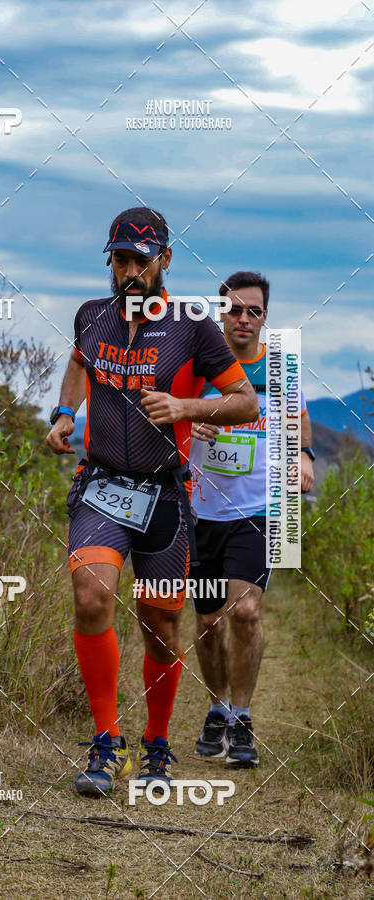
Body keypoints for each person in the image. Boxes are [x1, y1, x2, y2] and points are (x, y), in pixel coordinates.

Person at [45, 209, 258, 795]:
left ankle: (156, 743)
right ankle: (106, 742)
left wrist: (186, 408)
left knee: (161, 626)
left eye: (143, 260)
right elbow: (78, 361)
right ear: (109, 262)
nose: (131, 271)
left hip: (166, 493)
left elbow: (245, 403)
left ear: (165, 259)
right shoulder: (92, 316)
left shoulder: (193, 326)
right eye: (121, 260)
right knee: (92, 597)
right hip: (102, 484)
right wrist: (66, 414)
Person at [189, 270, 315, 767]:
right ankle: (217, 708)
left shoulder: (280, 364)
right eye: (235, 309)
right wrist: (190, 419)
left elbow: (299, 413)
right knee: (206, 620)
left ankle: (241, 718)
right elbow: (165, 409)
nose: (244, 319)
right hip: (199, 509)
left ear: (266, 316)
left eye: (254, 311)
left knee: (244, 613)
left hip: (259, 509)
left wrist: (305, 455)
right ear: (221, 312)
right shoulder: (198, 361)